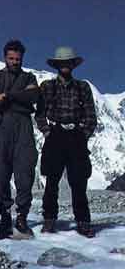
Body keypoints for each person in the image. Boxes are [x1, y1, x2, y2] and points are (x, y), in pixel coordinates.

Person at [36, 47, 97, 238]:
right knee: (52, 181)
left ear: (73, 65)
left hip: (76, 136)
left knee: (78, 182)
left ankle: (83, 222)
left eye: (68, 62)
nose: (65, 66)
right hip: (55, 135)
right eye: (62, 63)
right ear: (57, 65)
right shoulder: (46, 86)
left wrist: (82, 135)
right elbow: (39, 114)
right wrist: (47, 132)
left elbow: (90, 116)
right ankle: (49, 220)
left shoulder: (83, 87)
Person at [0, 39, 40, 239]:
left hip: (24, 127)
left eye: (18, 59)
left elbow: (34, 96)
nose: (15, 62)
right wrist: (20, 95)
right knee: (2, 174)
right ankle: (5, 217)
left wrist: (7, 95)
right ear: (5, 58)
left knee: (25, 174)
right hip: (1, 127)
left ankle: (22, 217)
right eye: (11, 58)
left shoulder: (30, 76)